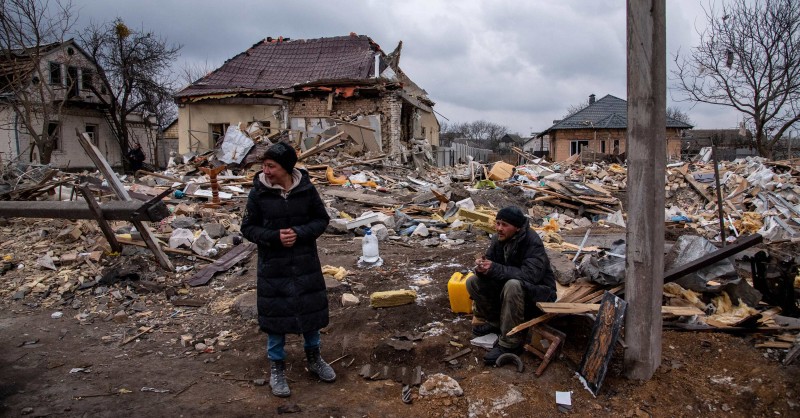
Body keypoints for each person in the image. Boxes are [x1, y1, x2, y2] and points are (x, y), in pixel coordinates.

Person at [241, 142, 334, 397]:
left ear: (286, 168)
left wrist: (300, 233)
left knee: (310, 312)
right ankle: (277, 369)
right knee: (275, 318)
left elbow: (321, 220)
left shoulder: (306, 189)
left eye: (271, 166)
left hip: (305, 263)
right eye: (265, 166)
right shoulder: (258, 193)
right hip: (274, 266)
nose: (266, 171)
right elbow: (247, 228)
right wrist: (273, 236)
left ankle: (314, 359)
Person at [467, 206, 557, 365]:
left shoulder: (532, 241)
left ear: (517, 228)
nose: (499, 228)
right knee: (473, 281)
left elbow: (531, 276)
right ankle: (496, 323)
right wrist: (483, 269)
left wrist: (494, 268)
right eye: (497, 223)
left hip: (539, 294)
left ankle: (510, 343)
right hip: (511, 291)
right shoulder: (498, 239)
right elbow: (492, 263)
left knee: (513, 285)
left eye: (504, 225)